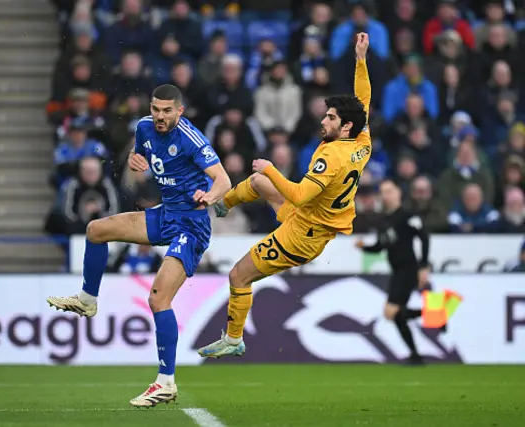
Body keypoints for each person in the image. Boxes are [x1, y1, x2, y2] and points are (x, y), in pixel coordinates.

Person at [46, 85, 231, 407]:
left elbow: (223, 180)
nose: (160, 116)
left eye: (167, 111)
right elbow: (142, 153)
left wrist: (210, 197)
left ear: (180, 111)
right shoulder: (144, 127)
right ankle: (88, 300)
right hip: (165, 214)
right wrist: (135, 160)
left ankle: (166, 382)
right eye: (156, 109)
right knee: (96, 230)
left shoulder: (191, 138)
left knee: (159, 298)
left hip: (192, 224)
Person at [197, 33, 373, 359]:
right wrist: (360, 60)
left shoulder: (330, 157)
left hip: (300, 236)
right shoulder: (361, 140)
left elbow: (301, 194)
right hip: (309, 221)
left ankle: (234, 339)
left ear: (344, 126)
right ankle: (221, 204)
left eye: (330, 118)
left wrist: (272, 166)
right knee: (259, 182)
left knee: (238, 275)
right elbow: (363, 99)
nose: (323, 120)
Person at [355, 179, 430, 365]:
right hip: (397, 270)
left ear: (398, 192)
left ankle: (434, 315)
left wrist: (423, 266)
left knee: (390, 312)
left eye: (389, 191)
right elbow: (381, 246)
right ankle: (416, 355)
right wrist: (365, 247)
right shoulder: (384, 221)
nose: (386, 195)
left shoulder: (407, 215)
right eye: (383, 192)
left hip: (408, 269)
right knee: (397, 316)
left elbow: (424, 238)